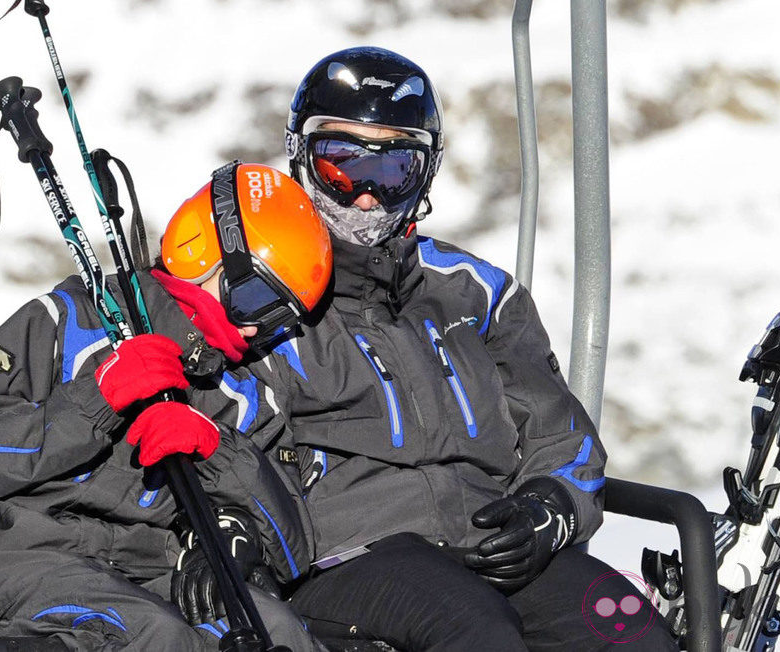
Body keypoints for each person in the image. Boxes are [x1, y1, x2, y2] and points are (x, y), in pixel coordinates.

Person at [164, 46, 679, 651]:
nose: (364, 197)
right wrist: (227, 528)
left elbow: (561, 436)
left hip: (486, 541)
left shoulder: (477, 295)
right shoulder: (261, 297)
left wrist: (548, 507)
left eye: (392, 171)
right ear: (300, 158)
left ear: (426, 172)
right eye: (342, 164)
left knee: (631, 632)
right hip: (345, 554)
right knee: (479, 635)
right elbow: (223, 441)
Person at [0, 163, 332, 651]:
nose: (254, 331)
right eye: (253, 300)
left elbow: (293, 551)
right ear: (200, 250)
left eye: (277, 319)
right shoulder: (72, 321)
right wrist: (94, 403)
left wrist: (217, 450)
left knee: (278, 630)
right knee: (156, 639)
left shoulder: (246, 390)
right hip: (22, 554)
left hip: (150, 569)